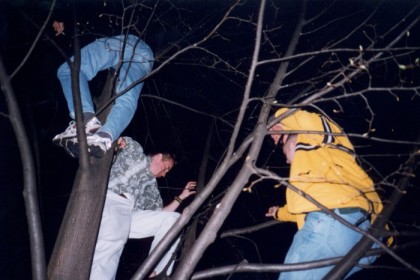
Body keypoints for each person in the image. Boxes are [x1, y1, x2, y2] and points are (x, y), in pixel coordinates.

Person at [265, 108, 384, 280]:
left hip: (334, 222)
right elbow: (304, 207)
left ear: (293, 143)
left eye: (284, 152)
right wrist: (278, 213)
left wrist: (277, 119)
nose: (285, 160)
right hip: (366, 236)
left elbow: (304, 119)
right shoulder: (332, 170)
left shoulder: (318, 137)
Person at [90, 136, 196, 279]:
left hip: (129, 214)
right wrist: (118, 144)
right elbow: (120, 140)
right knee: (110, 247)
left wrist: (181, 197)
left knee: (174, 219)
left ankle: (158, 272)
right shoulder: (136, 151)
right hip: (113, 198)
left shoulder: (152, 189)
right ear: (158, 157)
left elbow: (160, 215)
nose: (164, 174)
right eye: (166, 168)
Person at [52, 34, 154, 158]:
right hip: (146, 60)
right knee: (127, 100)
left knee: (68, 70)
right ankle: (105, 137)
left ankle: (86, 120)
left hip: (130, 43)